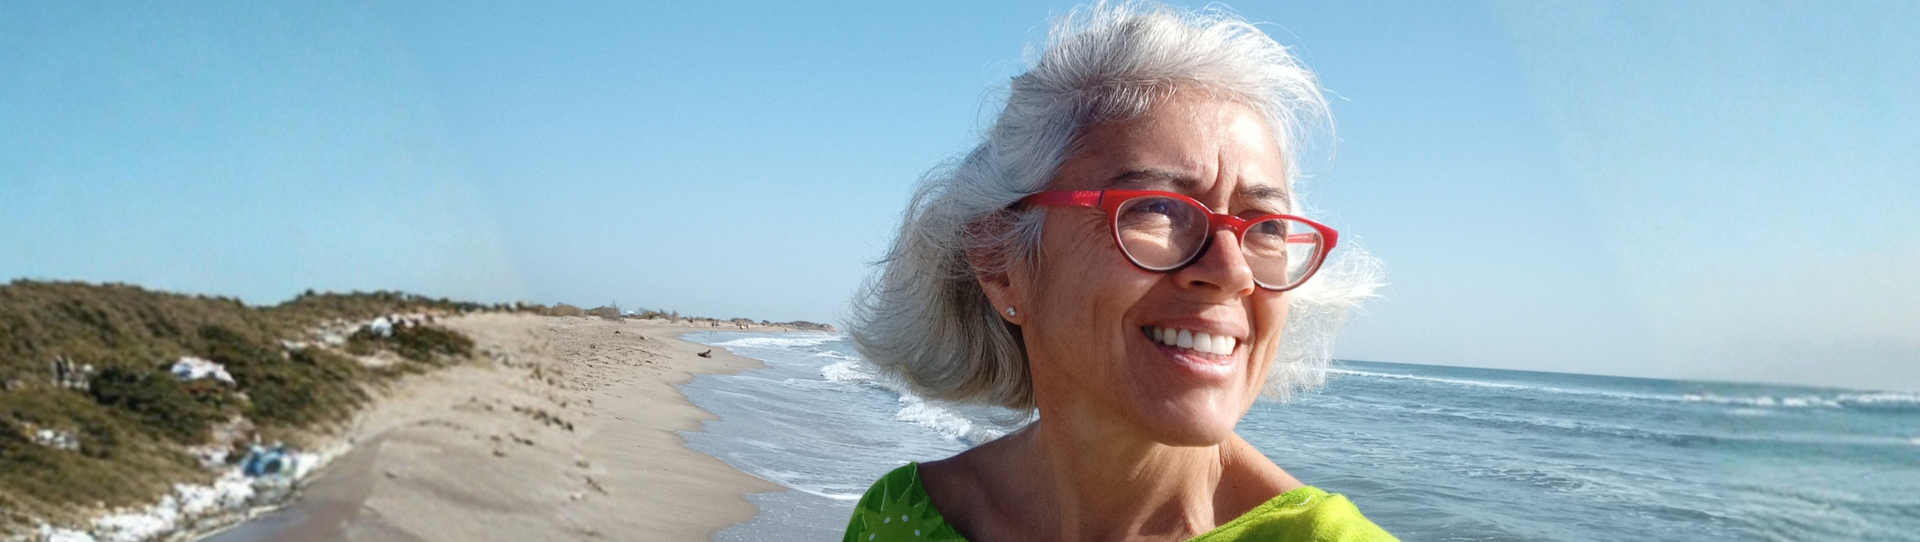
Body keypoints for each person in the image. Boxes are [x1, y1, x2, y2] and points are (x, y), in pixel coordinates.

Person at [843, 2, 1391, 541]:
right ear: (999, 261)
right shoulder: (900, 519)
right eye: (1158, 207)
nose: (1231, 272)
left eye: (1265, 226)